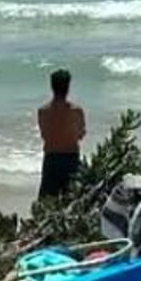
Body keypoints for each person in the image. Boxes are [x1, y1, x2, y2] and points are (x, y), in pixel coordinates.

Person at [36, 69, 86, 200]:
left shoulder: (43, 111)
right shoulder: (76, 111)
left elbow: (44, 135)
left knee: (47, 201)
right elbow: (81, 135)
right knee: (71, 200)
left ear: (52, 87)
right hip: (71, 158)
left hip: (51, 158)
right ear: (68, 87)